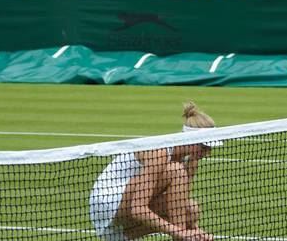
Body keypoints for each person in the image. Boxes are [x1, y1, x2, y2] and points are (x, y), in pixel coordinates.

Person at [89, 102, 216, 241]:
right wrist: (180, 233)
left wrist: (196, 231)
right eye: (204, 147)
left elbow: (179, 202)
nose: (207, 153)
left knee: (190, 209)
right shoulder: (160, 152)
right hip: (107, 204)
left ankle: (125, 237)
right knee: (176, 170)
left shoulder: (191, 159)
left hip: (121, 222)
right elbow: (138, 209)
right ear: (191, 139)